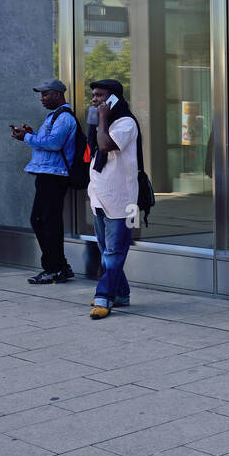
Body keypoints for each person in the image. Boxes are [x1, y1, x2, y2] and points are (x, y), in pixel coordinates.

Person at [12, 79, 79, 285]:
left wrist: (27, 138)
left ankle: (54, 269)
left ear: (58, 95)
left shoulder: (64, 118)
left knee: (46, 222)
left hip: (54, 176)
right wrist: (31, 134)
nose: (41, 98)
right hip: (47, 174)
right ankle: (59, 266)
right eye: (41, 95)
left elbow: (53, 143)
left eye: (45, 94)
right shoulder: (54, 117)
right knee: (43, 221)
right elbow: (47, 143)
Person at [86, 78, 139, 320]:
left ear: (114, 98)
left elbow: (106, 145)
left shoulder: (126, 123)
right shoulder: (101, 124)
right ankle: (121, 294)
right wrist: (97, 121)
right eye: (93, 95)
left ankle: (103, 296)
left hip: (122, 200)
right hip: (99, 197)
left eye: (100, 95)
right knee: (106, 249)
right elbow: (93, 150)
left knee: (114, 253)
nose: (95, 100)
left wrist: (103, 119)